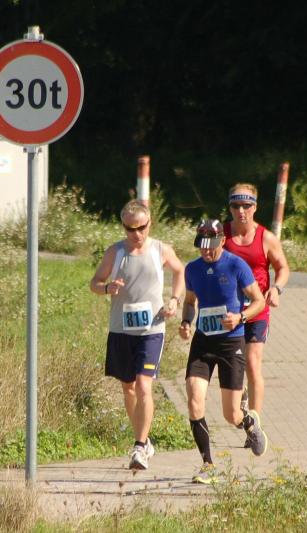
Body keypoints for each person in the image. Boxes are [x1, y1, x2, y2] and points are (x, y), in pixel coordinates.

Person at [90, 200, 185, 470]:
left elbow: (180, 271)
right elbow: (94, 283)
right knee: (128, 387)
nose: (136, 234)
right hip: (121, 329)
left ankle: (140, 447)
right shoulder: (115, 252)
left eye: (141, 227)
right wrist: (107, 288)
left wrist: (174, 300)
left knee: (144, 385)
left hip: (152, 329)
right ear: (124, 227)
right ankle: (144, 439)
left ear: (149, 223)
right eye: (130, 229)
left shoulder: (160, 250)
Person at [179, 219, 268, 484]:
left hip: (231, 342)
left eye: (211, 246)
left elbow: (259, 301)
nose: (206, 251)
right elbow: (190, 302)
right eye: (202, 246)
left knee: (231, 415)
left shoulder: (236, 265)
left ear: (223, 241)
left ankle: (248, 423)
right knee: (194, 399)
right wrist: (186, 322)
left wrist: (240, 317)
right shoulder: (192, 269)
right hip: (203, 342)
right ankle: (207, 464)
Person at [223, 183, 290, 447]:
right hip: (228, 312)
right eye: (236, 205)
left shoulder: (266, 238)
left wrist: (277, 289)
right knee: (232, 366)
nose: (241, 211)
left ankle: (254, 423)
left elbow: (283, 268)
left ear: (255, 207)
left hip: (257, 309)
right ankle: (241, 399)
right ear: (230, 207)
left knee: (252, 363)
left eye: (246, 205)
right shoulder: (222, 235)